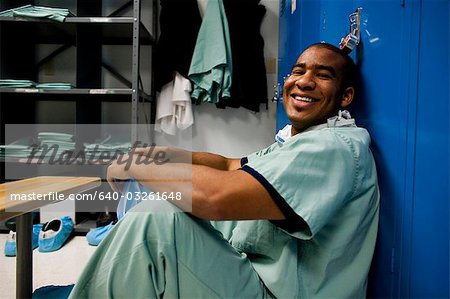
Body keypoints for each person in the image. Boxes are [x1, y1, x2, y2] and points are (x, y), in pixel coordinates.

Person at [69, 43, 379, 298]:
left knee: (155, 220)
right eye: (298, 70)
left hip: (275, 293)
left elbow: (214, 197)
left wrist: (135, 165)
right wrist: (162, 153)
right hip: (258, 281)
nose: (304, 81)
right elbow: (231, 164)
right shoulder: (295, 142)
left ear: (345, 97)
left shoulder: (333, 147)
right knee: (160, 216)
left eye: (323, 75)